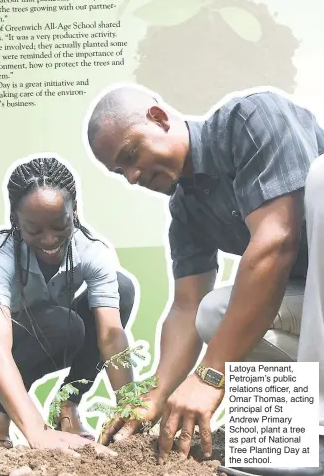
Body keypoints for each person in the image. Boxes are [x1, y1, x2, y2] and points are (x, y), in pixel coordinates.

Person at [86, 85, 324, 470]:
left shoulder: (251, 119)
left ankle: (320, 427)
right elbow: (187, 307)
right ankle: (287, 443)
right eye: (120, 171)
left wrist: (210, 376)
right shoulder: (187, 210)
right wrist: (156, 394)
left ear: (159, 118)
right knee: (213, 312)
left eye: (131, 155)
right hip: (316, 311)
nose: (131, 177)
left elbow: (276, 242)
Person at [0, 156, 134, 452]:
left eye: (59, 225)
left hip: (59, 333)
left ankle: (68, 403)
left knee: (122, 288)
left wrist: (130, 409)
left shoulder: (91, 251)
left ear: (74, 211)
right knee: (59, 324)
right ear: (15, 219)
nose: (49, 239)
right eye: (34, 230)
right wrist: (37, 432)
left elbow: (110, 335)